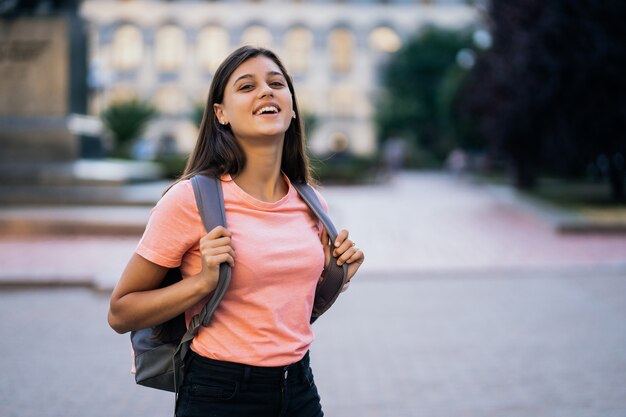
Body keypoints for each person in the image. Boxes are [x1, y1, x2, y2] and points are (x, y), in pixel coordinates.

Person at [107, 45, 365, 417]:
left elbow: (285, 315)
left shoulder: (312, 204)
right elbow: (120, 313)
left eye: (276, 83)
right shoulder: (190, 199)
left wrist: (334, 275)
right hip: (219, 393)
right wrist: (200, 283)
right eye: (247, 86)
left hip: (299, 390)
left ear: (291, 107)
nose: (266, 91)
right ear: (221, 113)